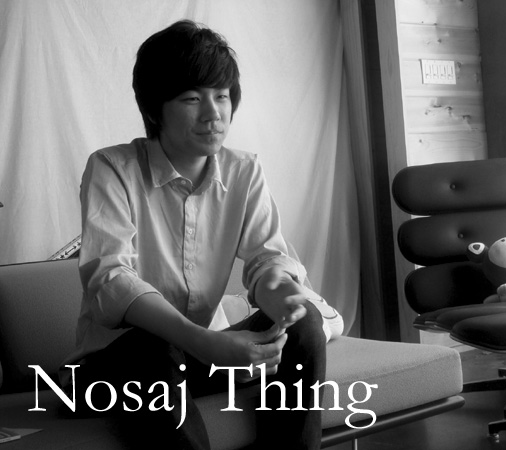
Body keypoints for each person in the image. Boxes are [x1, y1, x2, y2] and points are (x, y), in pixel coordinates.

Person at [60, 20, 327, 450]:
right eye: (191, 98)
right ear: (154, 109)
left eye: (221, 96)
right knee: (153, 346)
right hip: (110, 371)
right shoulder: (111, 169)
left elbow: (267, 259)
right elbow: (110, 279)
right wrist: (205, 343)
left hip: (193, 360)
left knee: (305, 324)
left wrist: (281, 296)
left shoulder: (244, 171)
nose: (213, 113)